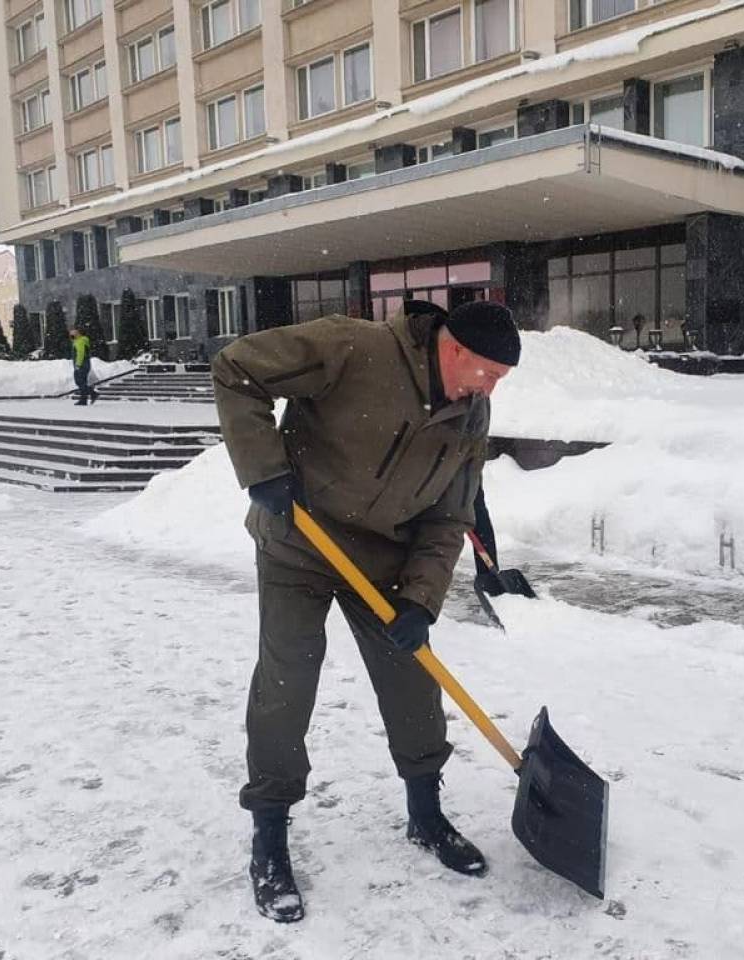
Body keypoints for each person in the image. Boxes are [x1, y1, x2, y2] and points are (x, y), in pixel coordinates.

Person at [211, 298, 521, 923]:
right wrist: (263, 468)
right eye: (486, 371)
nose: (489, 389)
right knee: (287, 679)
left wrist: (422, 599)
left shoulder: (470, 417)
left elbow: (450, 516)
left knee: (413, 677)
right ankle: (269, 838)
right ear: (454, 349)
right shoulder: (354, 347)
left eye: (499, 380)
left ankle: (425, 814)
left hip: (382, 558)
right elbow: (236, 368)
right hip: (298, 539)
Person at [69, 327, 96, 405]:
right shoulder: (81, 341)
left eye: (73, 334)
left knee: (79, 381)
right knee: (82, 382)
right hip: (85, 364)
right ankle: (84, 400)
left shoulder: (79, 341)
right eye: (71, 334)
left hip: (81, 365)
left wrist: (78, 365)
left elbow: (80, 353)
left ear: (78, 334)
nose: (71, 335)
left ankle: (92, 394)